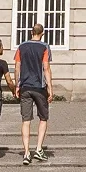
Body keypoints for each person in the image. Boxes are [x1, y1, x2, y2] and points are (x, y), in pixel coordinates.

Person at [16, 22, 54, 164]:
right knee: (43, 118)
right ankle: (38, 149)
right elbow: (46, 68)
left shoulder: (22, 46)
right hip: (39, 86)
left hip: (25, 86)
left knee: (26, 120)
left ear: (31, 32)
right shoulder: (44, 47)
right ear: (42, 33)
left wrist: (17, 84)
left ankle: (26, 153)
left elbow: (17, 66)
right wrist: (50, 88)